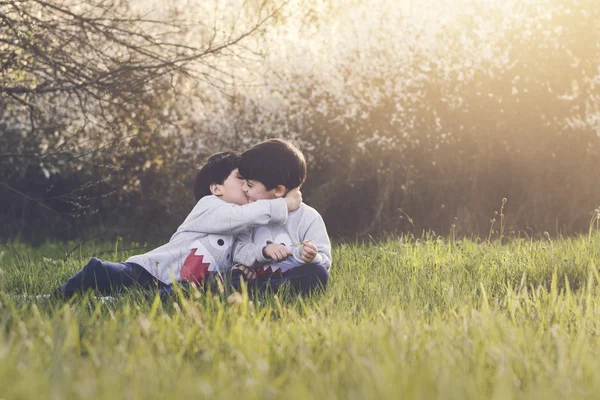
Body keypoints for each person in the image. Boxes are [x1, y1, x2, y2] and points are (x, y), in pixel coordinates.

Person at [56, 151, 302, 298]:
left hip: (182, 284)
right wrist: (284, 205)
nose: (247, 185)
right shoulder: (209, 206)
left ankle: (108, 301)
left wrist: (245, 264)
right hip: (152, 270)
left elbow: (241, 247)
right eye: (240, 179)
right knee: (106, 273)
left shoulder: (245, 223)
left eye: (250, 181)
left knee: (156, 298)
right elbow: (238, 217)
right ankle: (56, 295)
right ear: (216, 188)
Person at [232, 139, 331, 295]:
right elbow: (238, 249)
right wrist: (264, 251)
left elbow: (325, 259)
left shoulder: (308, 217)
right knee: (230, 275)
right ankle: (258, 291)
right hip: (256, 277)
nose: (244, 189)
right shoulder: (251, 213)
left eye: (250, 185)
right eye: (243, 182)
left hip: (291, 277)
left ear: (278, 190)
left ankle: (259, 293)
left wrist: (312, 256)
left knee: (318, 274)